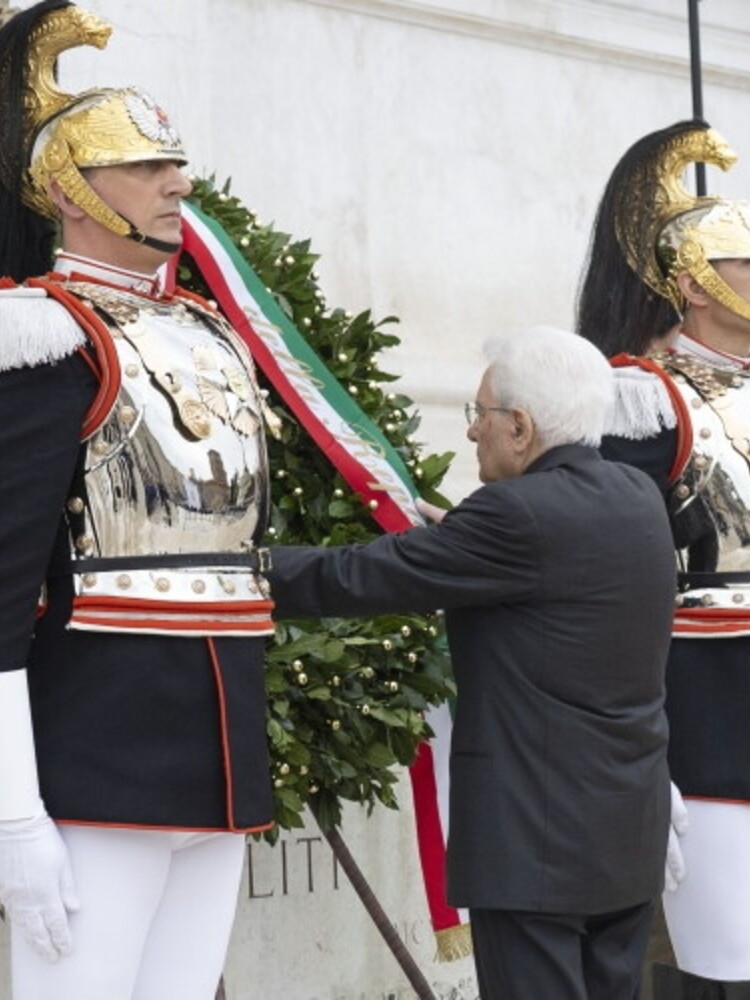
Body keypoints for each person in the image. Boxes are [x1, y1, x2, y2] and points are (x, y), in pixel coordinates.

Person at [267, 323, 676, 1000]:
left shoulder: (514, 515)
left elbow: (356, 575)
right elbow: (553, 573)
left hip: (534, 844)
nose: (469, 432)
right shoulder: (636, 496)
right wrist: (463, 539)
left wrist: (233, 567)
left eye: (478, 415)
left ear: (520, 426)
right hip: (624, 836)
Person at [0, 3, 275, 998]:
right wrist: (15, 812)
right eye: (147, 166)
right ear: (70, 189)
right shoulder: (40, 337)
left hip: (218, 753)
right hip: (92, 761)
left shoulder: (207, 331)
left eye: (177, 162)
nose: (180, 183)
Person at [576, 119, 750, 998]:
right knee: (725, 966)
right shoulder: (643, 397)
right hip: (715, 714)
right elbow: (616, 577)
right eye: (744, 265)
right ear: (692, 283)